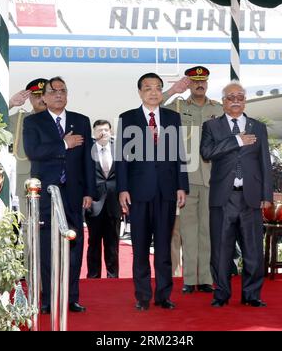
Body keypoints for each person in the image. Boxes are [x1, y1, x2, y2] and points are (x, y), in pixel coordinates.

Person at [116, 72, 189, 311]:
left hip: (167, 191)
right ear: (140, 92)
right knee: (139, 247)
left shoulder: (172, 117)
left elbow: (180, 155)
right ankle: (143, 296)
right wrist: (122, 189)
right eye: (148, 88)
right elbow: (122, 158)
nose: (154, 92)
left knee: (164, 247)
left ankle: (164, 295)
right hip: (138, 192)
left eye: (158, 87)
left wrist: (182, 186)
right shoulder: (127, 118)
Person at [23, 76, 95, 313]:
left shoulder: (81, 121)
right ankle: (48, 299)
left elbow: (87, 160)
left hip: (74, 193)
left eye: (62, 90)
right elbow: (33, 151)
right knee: (46, 246)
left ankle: (72, 296)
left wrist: (89, 192)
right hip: (45, 194)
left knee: (75, 244)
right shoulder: (33, 122)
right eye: (53, 91)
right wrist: (63, 145)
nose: (58, 95)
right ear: (43, 97)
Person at [200, 80, 273, 307]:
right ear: (223, 102)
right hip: (223, 197)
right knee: (221, 250)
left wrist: (267, 196)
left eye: (240, 97)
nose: (236, 101)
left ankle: (251, 295)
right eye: (231, 97)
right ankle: (221, 294)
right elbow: (207, 153)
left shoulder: (257, 127)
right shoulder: (212, 127)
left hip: (250, 198)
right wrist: (236, 140)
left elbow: (265, 163)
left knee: (253, 250)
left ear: (245, 101)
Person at [162, 66, 223, 293]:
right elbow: (152, 109)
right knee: (188, 231)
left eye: (203, 81)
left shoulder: (218, 108)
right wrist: (172, 91)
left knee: (207, 230)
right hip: (186, 178)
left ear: (207, 83)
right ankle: (189, 280)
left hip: (212, 177)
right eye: (195, 81)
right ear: (189, 83)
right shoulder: (177, 107)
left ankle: (206, 278)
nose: (199, 84)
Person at [85, 119, 121, 279]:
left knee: (113, 243)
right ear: (94, 133)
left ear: (111, 132)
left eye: (106, 130)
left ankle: (113, 277)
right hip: (94, 202)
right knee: (93, 243)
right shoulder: (88, 151)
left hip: (114, 203)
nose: (103, 133)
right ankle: (93, 276)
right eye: (99, 130)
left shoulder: (118, 150)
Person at [8, 79, 48, 214]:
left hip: (54, 178)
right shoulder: (19, 119)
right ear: (30, 98)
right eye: (37, 96)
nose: (42, 99)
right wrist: (9, 104)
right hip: (26, 179)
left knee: (55, 223)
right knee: (27, 224)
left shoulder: (62, 119)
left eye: (45, 95)